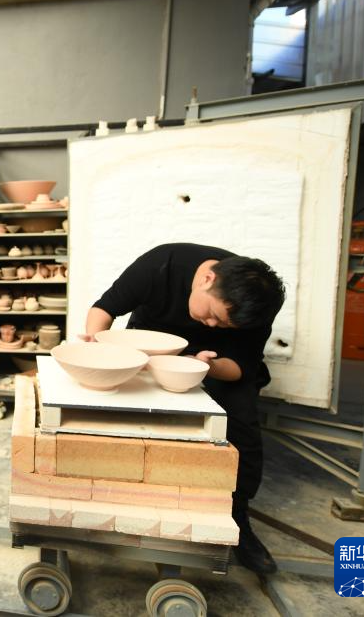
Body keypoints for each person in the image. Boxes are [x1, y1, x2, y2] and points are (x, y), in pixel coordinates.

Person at [83, 242, 285, 575]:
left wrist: (208, 367)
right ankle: (121, 498)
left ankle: (238, 516)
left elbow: (242, 366)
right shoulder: (162, 263)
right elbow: (105, 309)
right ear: (207, 279)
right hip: (149, 344)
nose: (211, 324)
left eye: (223, 324)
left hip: (211, 358)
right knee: (123, 405)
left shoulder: (255, 306)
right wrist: (95, 342)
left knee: (241, 420)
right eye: (212, 314)